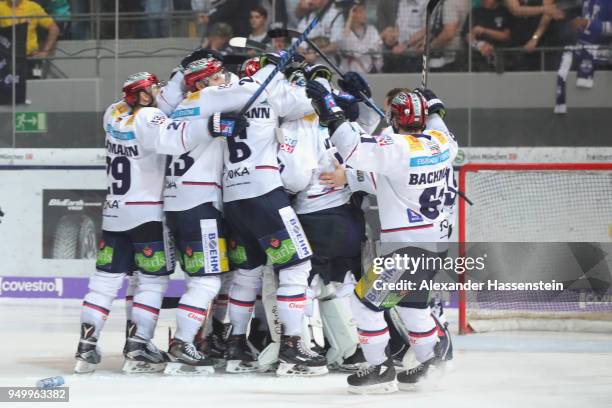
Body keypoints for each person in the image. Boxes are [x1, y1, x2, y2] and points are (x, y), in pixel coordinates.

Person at [306, 81, 456, 393]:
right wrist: (430, 98)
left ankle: (380, 370)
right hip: (437, 244)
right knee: (413, 305)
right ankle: (432, 366)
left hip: (405, 248)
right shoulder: (444, 143)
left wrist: (330, 108)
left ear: (395, 119)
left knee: (364, 303)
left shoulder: (396, 149)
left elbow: (354, 149)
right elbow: (439, 115)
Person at [74, 72, 214, 374]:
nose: (160, 90)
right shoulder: (150, 117)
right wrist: (212, 126)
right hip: (148, 214)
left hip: (114, 212)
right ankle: (139, 343)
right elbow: (177, 140)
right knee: (152, 281)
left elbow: (127, 108)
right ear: (144, 96)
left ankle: (86, 344)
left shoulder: (112, 114)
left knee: (103, 282)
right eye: (154, 87)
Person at [162, 58, 237, 375]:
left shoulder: (179, 107)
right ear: (202, 82)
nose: (222, 79)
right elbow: (246, 93)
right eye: (216, 76)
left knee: (197, 278)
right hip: (201, 203)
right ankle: (182, 341)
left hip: (176, 203)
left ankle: (197, 338)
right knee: (207, 281)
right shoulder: (209, 98)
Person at [555, 0, 612, 113]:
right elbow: (582, 18)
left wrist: (588, 23)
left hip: (604, 49)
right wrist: (576, 23)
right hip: (581, 45)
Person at [377, 0, 428, 72]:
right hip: (400, 56)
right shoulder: (402, 2)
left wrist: (405, 45)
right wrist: (392, 36)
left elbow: (426, 30)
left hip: (417, 57)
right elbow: (399, 25)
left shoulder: (425, 3)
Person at [461, 0, 512, 72]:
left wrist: (485, 31)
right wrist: (480, 45)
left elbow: (506, 36)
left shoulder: (505, 12)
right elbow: (467, 36)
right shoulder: (475, 12)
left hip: (501, 56)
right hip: (478, 58)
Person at [339, 1, 383, 74]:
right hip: (349, 74)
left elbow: (376, 49)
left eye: (364, 11)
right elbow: (345, 45)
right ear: (352, 15)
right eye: (360, 12)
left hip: (370, 73)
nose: (364, 15)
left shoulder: (372, 30)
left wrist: (357, 51)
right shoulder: (345, 31)